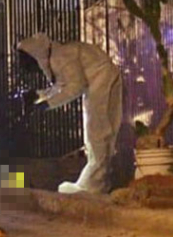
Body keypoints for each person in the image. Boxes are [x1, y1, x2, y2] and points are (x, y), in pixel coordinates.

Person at [17, 33, 123, 194]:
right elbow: (62, 85)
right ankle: (97, 182)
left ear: (35, 55)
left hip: (102, 80)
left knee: (97, 133)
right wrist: (39, 96)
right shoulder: (57, 56)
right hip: (98, 81)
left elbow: (76, 87)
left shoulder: (62, 56)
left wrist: (47, 104)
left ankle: (94, 186)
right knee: (97, 134)